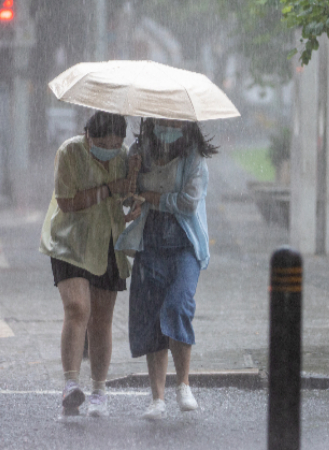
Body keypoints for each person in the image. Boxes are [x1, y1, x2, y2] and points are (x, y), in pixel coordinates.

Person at [39, 111, 140, 417]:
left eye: (116, 144)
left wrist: (132, 186)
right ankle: (71, 384)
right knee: (77, 308)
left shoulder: (124, 156)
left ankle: (99, 389)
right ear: (89, 137)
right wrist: (109, 188)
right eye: (104, 144)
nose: (110, 150)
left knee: (101, 320)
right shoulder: (70, 152)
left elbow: (126, 197)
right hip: (69, 242)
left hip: (107, 242)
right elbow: (67, 201)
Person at [116, 117, 217, 420]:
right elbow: (126, 198)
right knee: (149, 316)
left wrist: (148, 197)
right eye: (161, 120)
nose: (167, 125)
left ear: (185, 125)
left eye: (174, 121)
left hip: (184, 247)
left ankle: (183, 383)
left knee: (177, 306)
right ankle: (156, 397)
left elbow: (188, 203)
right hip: (150, 245)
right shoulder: (140, 149)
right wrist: (133, 174)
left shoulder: (194, 158)